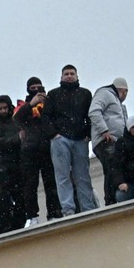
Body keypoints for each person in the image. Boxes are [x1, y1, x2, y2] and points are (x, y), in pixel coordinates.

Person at [44, 65, 97, 214]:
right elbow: (46, 116)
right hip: (61, 139)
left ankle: (88, 208)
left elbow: (90, 115)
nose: (69, 76)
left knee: (83, 176)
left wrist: (88, 134)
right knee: (62, 176)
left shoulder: (85, 94)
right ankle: (68, 209)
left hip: (80, 139)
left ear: (77, 76)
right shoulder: (53, 94)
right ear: (61, 77)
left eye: (72, 73)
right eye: (66, 74)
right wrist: (53, 134)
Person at [14, 78, 62, 223]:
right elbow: (16, 118)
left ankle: (54, 213)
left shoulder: (49, 102)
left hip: (48, 147)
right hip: (29, 149)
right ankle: (33, 217)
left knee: (51, 182)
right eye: (32, 87)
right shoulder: (22, 105)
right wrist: (31, 104)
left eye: (38, 87)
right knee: (30, 184)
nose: (35, 89)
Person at [88, 78, 131, 206]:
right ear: (123, 91)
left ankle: (112, 199)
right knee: (112, 167)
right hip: (106, 139)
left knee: (111, 169)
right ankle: (111, 201)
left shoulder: (117, 102)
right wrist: (104, 130)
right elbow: (94, 111)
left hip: (114, 140)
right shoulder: (106, 93)